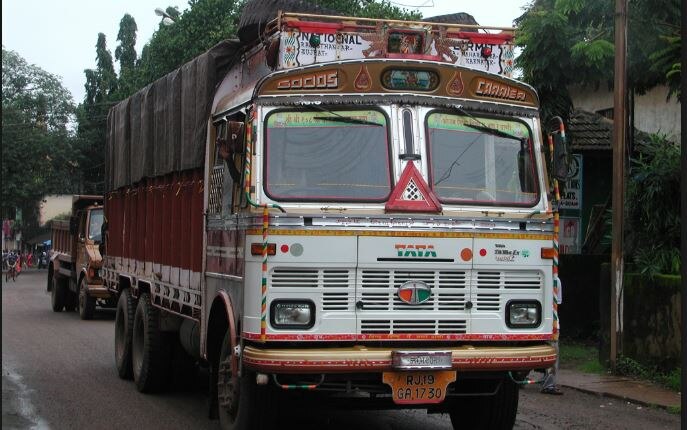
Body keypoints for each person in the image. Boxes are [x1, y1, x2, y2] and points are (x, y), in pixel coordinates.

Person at [541, 276, 563, 395]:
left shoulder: (556, 281)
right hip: (549, 323)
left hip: (543, 323)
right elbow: (557, 303)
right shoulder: (555, 280)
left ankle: (548, 383)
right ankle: (548, 384)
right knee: (553, 353)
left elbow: (556, 303)